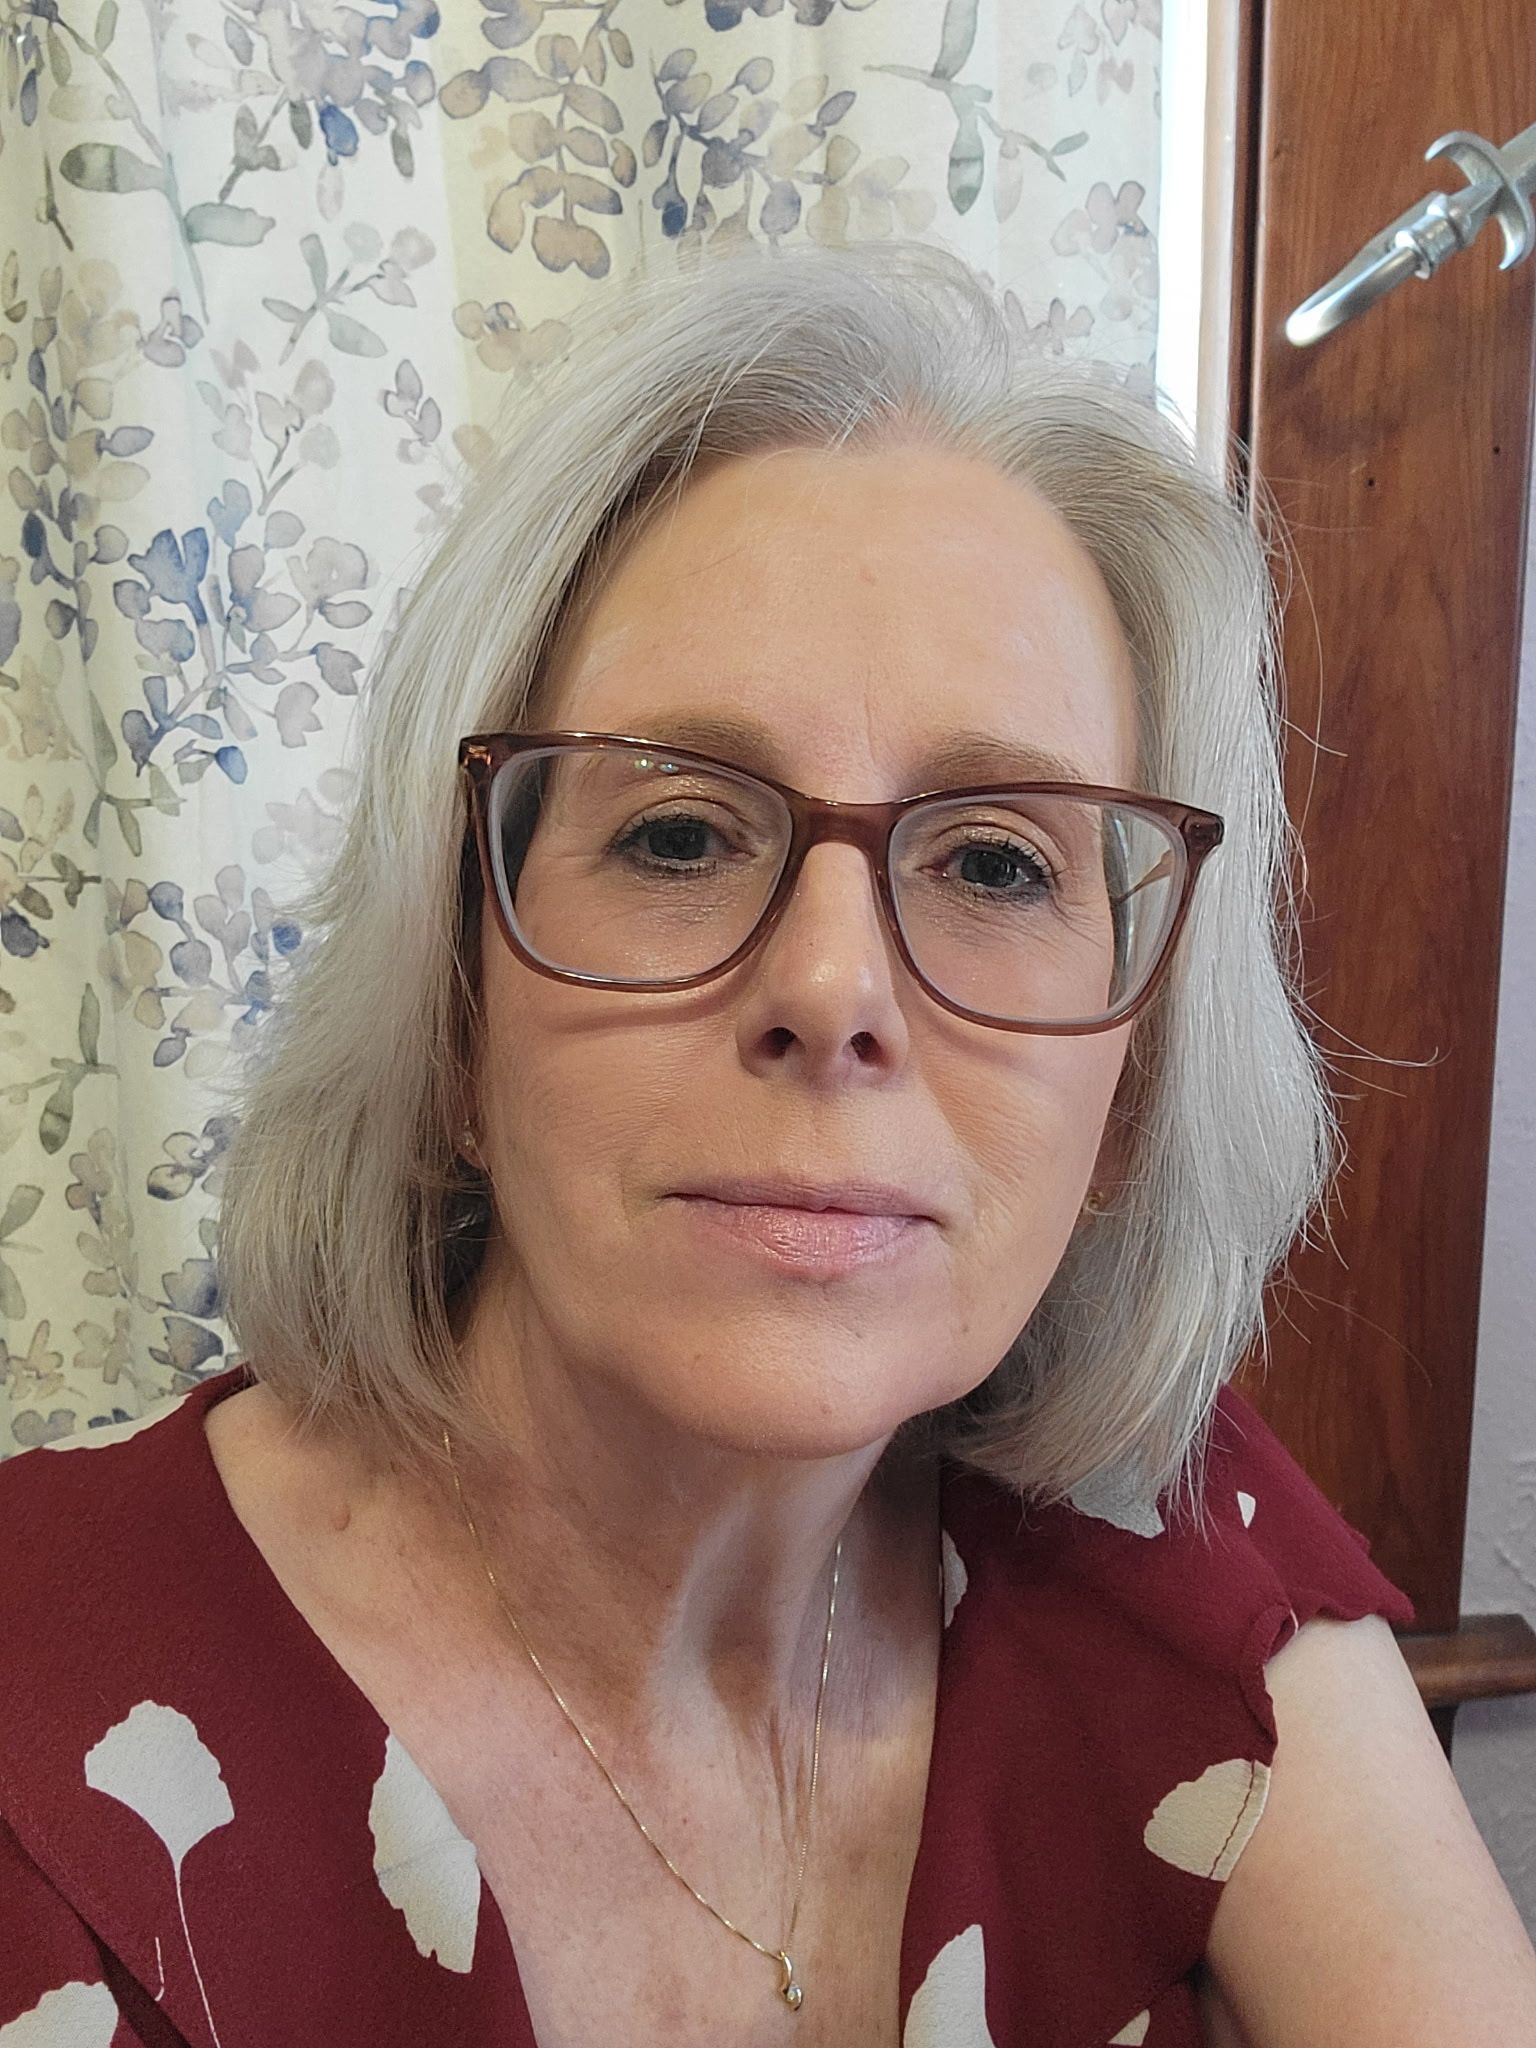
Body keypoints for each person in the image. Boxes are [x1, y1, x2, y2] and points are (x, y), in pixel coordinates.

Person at [4, 239, 1534, 2048]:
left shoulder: (1178, 1547)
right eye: (675, 836)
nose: (831, 987)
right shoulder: (50, 1746)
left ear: (1130, 1079)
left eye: (993, 863)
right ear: (452, 1008)